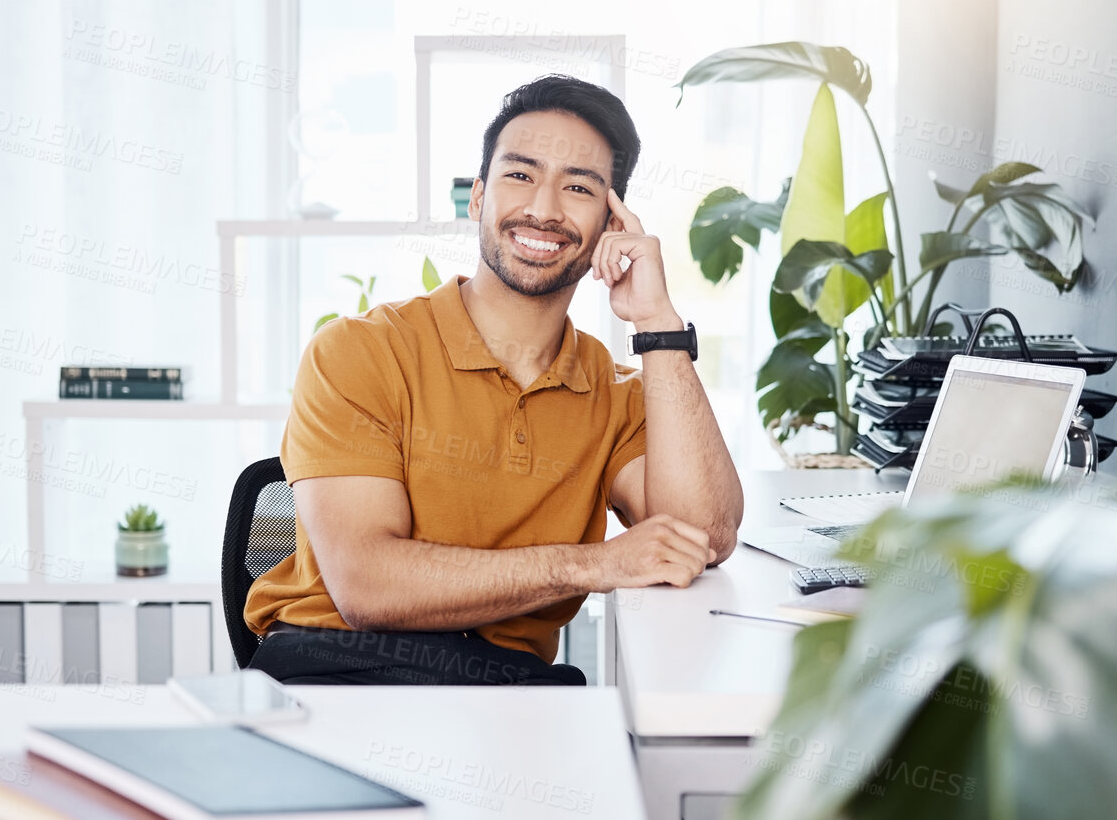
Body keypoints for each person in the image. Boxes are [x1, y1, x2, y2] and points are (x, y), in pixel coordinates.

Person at [245, 75, 744, 686]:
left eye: (579, 187)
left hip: (502, 687)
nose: (544, 208)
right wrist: (593, 565)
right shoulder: (359, 352)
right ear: (478, 198)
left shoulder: (616, 396)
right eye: (520, 174)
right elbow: (367, 587)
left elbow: (702, 536)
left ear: (611, 226)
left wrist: (657, 323)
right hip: (335, 669)